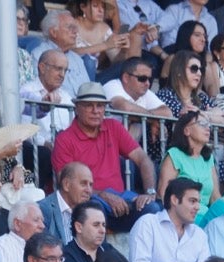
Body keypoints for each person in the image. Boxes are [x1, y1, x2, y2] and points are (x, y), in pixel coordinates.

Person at [51, 82, 161, 232]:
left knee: (153, 208)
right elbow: (67, 186)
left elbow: (143, 159)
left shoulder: (113, 127)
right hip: (89, 202)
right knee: (94, 212)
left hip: (121, 201)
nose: (96, 111)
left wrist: (149, 192)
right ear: (77, 108)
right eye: (89, 105)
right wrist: (103, 195)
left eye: (100, 105)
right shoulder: (64, 139)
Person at [157, 111, 218, 224]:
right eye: (201, 123)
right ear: (186, 130)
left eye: (208, 125)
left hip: (207, 216)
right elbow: (163, 193)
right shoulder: (175, 155)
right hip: (185, 216)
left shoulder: (208, 158)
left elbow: (215, 198)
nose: (207, 128)